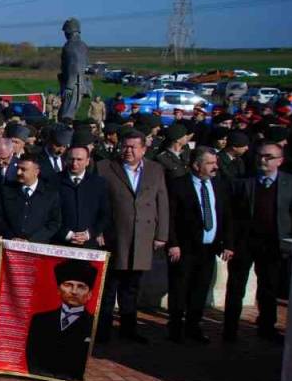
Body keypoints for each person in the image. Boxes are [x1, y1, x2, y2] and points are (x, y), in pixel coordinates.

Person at [224, 141, 292, 342]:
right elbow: (231, 215)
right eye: (260, 155)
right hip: (245, 243)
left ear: (280, 161)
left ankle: (267, 326)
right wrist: (230, 243)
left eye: (269, 157)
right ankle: (230, 328)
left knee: (269, 288)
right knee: (236, 287)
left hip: (273, 244)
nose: (263, 160)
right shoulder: (243, 182)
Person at [96, 130, 168, 344]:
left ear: (143, 149)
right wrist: (98, 230)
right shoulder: (105, 168)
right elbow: (98, 202)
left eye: (132, 147)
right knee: (109, 287)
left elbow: (161, 202)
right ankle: (102, 331)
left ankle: (129, 329)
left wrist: (162, 234)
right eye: (124, 146)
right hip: (114, 236)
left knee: (132, 287)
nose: (127, 150)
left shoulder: (155, 170)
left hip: (142, 237)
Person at [166, 147, 234, 344]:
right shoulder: (178, 185)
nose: (215, 167)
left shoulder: (219, 185)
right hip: (184, 248)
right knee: (180, 288)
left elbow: (227, 216)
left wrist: (228, 243)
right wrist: (173, 243)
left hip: (209, 248)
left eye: (215, 162)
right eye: (210, 163)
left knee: (201, 288)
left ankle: (193, 326)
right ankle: (176, 327)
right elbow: (169, 217)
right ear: (196, 165)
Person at [25, 259, 99, 381]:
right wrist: (38, 373)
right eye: (68, 285)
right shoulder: (40, 320)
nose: (74, 292)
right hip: (40, 377)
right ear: (58, 290)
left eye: (81, 286)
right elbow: (31, 353)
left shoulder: (93, 324)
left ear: (90, 294)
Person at [0, 155, 61, 244]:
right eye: (18, 168)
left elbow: (54, 223)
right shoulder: (6, 190)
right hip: (9, 245)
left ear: (36, 172)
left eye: (23, 169)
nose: (18, 172)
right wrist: (11, 237)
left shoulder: (50, 195)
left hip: (36, 248)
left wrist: (32, 241)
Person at [55, 144, 109, 249]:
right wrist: (67, 234)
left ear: (87, 161)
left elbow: (105, 214)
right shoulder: (53, 182)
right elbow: (48, 214)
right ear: (65, 160)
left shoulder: (99, 183)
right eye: (71, 159)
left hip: (89, 245)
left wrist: (90, 233)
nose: (74, 163)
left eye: (79, 159)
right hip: (60, 244)